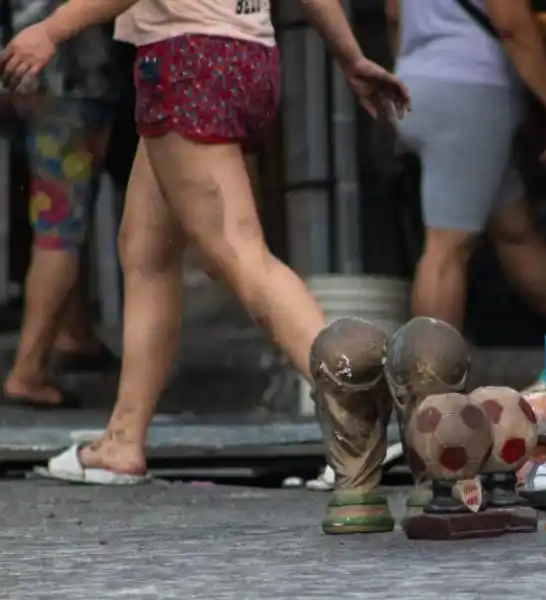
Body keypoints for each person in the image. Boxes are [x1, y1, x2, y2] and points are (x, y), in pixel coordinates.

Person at [1, 0, 409, 481]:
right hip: (244, 55)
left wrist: (51, 29)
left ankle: (360, 421)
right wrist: (349, 55)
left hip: (188, 60)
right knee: (145, 250)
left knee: (240, 252)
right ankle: (122, 440)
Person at [386, 0, 546, 332]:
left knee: (515, 232)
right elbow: (511, 23)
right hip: (470, 88)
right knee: (447, 249)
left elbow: (393, 14)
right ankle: (429, 377)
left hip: (416, 82)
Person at [0, 1, 122, 409]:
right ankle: (28, 371)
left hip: (31, 76)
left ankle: (75, 334)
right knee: (61, 226)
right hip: (69, 77)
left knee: (64, 213)